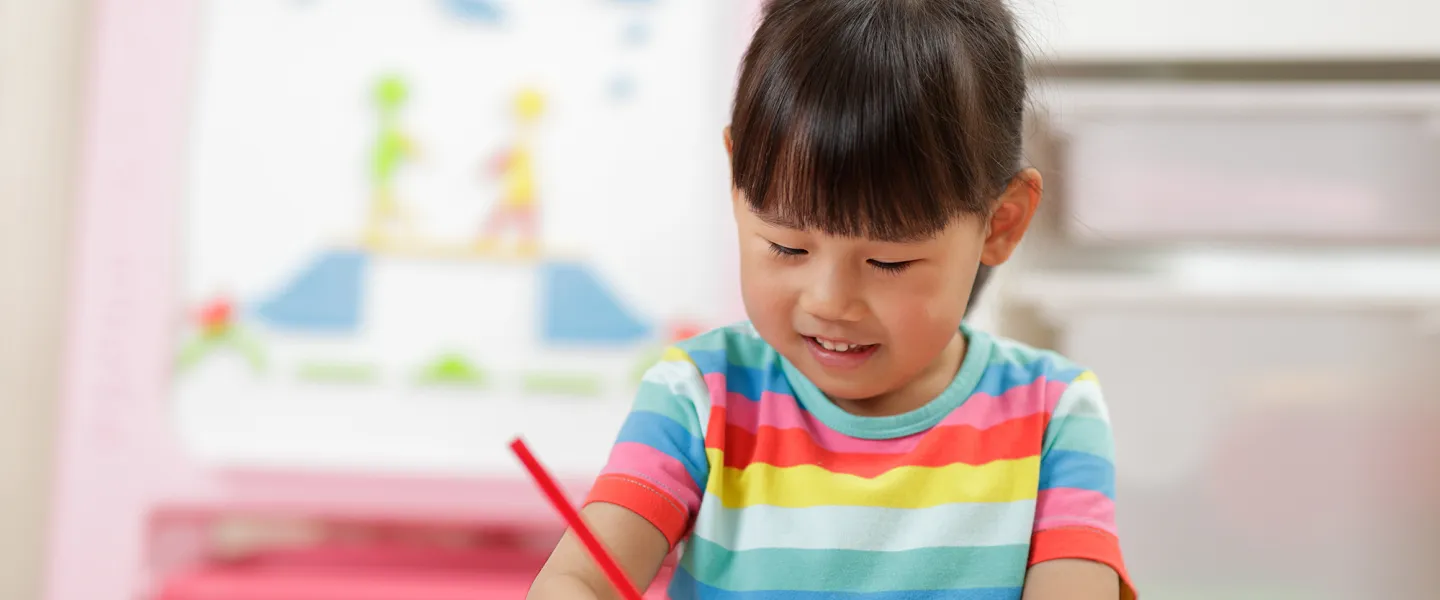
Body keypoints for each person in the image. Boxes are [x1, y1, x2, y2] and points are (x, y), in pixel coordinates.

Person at [528, 0, 1135, 598]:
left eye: (887, 262)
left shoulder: (1054, 415)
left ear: (1000, 224)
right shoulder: (700, 396)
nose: (830, 300)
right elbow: (580, 577)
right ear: (737, 181)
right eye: (788, 247)